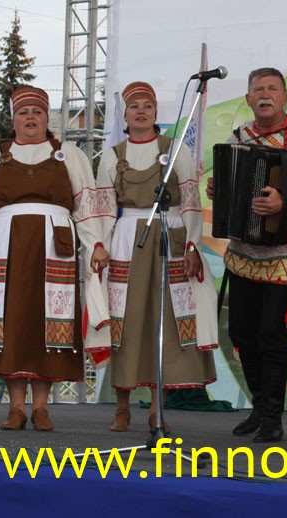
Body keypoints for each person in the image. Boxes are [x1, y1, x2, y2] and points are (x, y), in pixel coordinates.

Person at [0, 85, 107, 431]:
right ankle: (16, 408)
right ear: (14, 120)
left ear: (46, 118)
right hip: (4, 244)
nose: (30, 118)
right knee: (12, 322)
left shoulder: (69, 155)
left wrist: (96, 242)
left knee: (49, 323)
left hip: (54, 243)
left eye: (37, 112)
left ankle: (41, 408)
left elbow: (86, 204)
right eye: (23, 112)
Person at [208, 67, 287, 443]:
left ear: (283, 96)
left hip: (285, 251)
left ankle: (273, 417)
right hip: (243, 251)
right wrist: (220, 189)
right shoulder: (238, 136)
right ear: (248, 99)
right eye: (258, 89)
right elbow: (228, 181)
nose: (265, 94)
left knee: (270, 333)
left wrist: (286, 201)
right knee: (243, 332)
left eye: (272, 88)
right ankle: (259, 408)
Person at [96, 81, 217, 432]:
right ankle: (121, 407)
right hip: (128, 241)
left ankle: (156, 408)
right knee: (126, 323)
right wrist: (101, 244)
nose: (141, 111)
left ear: (156, 113)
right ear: (126, 114)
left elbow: (191, 200)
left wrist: (192, 243)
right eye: (134, 106)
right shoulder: (112, 155)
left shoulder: (174, 149)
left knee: (162, 321)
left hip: (169, 236)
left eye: (147, 105)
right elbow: (104, 207)